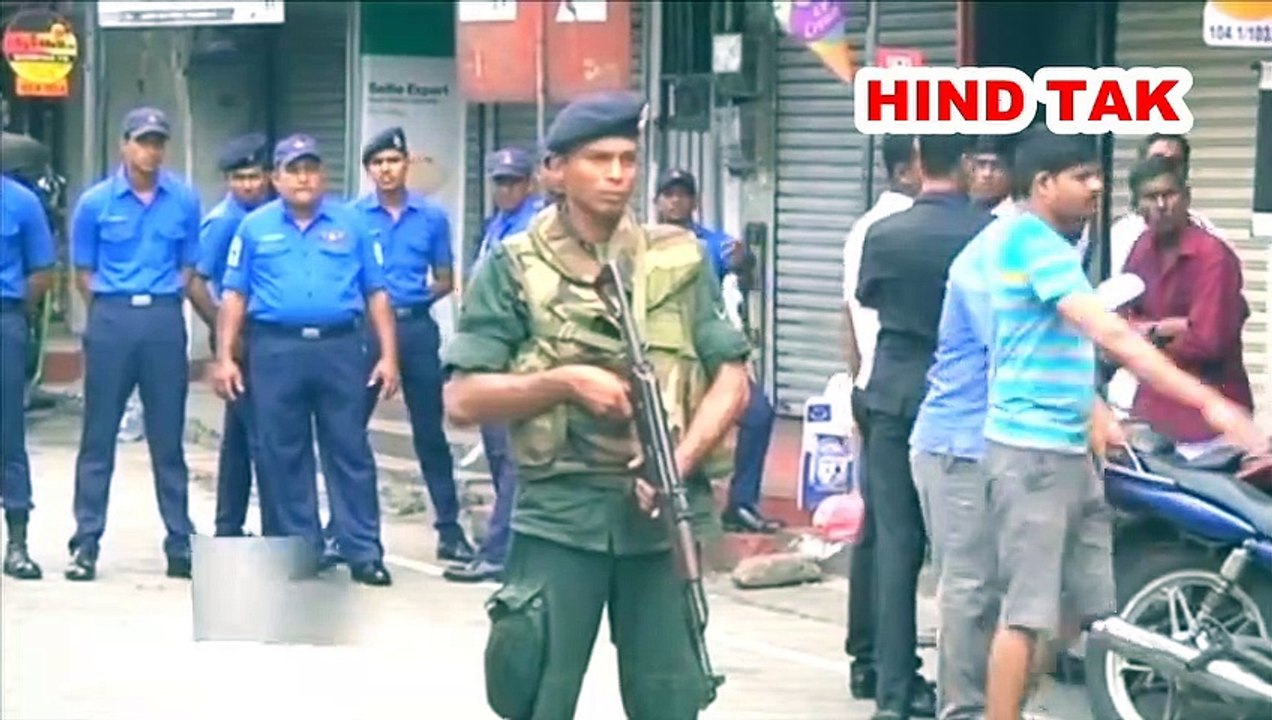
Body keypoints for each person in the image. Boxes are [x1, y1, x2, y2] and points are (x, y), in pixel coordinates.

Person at [441, 90, 751, 720]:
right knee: (538, 697)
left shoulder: (680, 257)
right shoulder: (514, 266)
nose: (617, 175)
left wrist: (679, 462)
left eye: (628, 160)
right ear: (555, 171)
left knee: (671, 701)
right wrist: (564, 383)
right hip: (562, 514)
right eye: (598, 159)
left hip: (662, 518)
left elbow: (733, 378)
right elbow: (462, 399)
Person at [980, 129, 1266, 720]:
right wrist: (1210, 403)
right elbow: (1113, 333)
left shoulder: (1063, 250)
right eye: (1082, 176)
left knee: (1080, 607)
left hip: (1074, 446)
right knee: (1026, 614)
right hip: (1033, 454)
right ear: (1043, 184)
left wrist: (1098, 411)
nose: (1097, 186)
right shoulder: (1030, 245)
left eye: (1097, 174)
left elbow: (1074, 345)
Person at [213, 133, 400, 586]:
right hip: (276, 349)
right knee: (283, 453)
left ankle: (363, 551)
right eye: (293, 170)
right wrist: (225, 358)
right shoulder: (254, 227)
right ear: (275, 179)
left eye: (311, 169)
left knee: (349, 450)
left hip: (339, 348)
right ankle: (301, 549)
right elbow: (235, 295)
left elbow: (376, 292)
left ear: (324, 176)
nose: (303, 178)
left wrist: (389, 356)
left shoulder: (353, 224)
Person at [856, 134, 992, 720]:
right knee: (965, 555)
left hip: (892, 392)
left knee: (895, 545)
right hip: (962, 400)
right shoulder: (988, 235)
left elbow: (869, 299)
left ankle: (892, 692)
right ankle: (962, 690)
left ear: (917, 162)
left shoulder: (884, 233)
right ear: (966, 165)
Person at [66, 107, 200, 581]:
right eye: (142, 141)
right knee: (99, 435)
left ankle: (180, 541)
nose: (151, 151)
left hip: (163, 317)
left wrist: (162, 298)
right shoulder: (95, 203)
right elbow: (83, 271)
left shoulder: (183, 199)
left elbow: (188, 264)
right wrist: (112, 308)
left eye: (158, 142)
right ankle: (86, 542)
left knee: (168, 438)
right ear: (124, 145)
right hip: (113, 317)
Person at [346, 127, 475, 565]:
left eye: (393, 161)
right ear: (368, 170)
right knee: (349, 428)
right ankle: (344, 529)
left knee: (429, 433)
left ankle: (449, 529)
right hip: (366, 332)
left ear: (407, 165)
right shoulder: (352, 218)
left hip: (415, 328)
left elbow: (445, 278)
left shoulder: (432, 217)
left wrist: (413, 299)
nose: (386, 170)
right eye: (378, 163)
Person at [654, 167, 782, 534]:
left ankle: (741, 503)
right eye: (669, 194)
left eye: (682, 194)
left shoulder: (711, 243)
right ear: (657, 201)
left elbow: (746, 277)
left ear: (694, 201)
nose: (676, 201)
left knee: (758, 413)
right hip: (661, 352)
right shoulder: (641, 242)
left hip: (706, 348)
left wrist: (744, 261)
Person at [840, 133, 921, 706]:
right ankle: (886, 666)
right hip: (897, 394)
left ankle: (867, 657)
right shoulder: (897, 229)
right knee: (897, 538)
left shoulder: (867, 227)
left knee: (879, 533)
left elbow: (847, 316)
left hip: (873, 388)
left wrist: (856, 384)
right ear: (908, 168)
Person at [444, 147, 544, 584]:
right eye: (500, 182)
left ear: (530, 183)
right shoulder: (495, 225)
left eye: (513, 182)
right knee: (500, 455)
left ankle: (501, 551)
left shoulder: (534, 227)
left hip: (515, 357)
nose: (505, 190)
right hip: (489, 357)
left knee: (512, 459)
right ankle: (504, 549)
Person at [1122, 156, 1253, 448]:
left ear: (1187, 197)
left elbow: (1208, 342)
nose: (1161, 205)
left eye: (1169, 194)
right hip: (1153, 412)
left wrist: (1150, 332)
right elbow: (1123, 324)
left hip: (1214, 418)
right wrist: (1171, 328)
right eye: (1150, 197)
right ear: (1137, 206)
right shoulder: (1141, 249)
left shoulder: (1213, 256)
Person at [187, 133, 274, 537]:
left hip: (262, 333)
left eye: (254, 177)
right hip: (239, 337)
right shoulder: (225, 220)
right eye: (240, 178)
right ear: (228, 181)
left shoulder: (271, 215)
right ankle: (273, 529)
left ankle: (229, 525)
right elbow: (195, 281)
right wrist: (224, 329)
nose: (248, 186)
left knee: (240, 437)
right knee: (262, 434)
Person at [1, 172, 57, 580]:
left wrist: (17, 314)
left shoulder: (21, 201)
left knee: (8, 434)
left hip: (5, 320)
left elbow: (41, 270)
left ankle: (17, 543)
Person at [1108, 133, 1220, 275]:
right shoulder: (1122, 235)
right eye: (1158, 160)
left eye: (1174, 163)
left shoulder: (1211, 237)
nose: (1165, 168)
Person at [965, 135, 1016, 216]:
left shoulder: (1016, 216)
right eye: (981, 164)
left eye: (996, 165)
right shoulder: (957, 209)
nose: (987, 174)